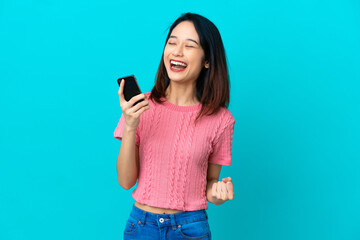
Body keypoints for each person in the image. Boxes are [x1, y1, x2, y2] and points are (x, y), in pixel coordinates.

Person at [114, 12, 235, 240]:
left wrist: (217, 194)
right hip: (141, 226)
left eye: (189, 46)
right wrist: (130, 125)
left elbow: (209, 183)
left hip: (190, 228)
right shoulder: (139, 107)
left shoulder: (221, 120)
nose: (177, 52)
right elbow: (125, 181)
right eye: (172, 42)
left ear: (207, 60)